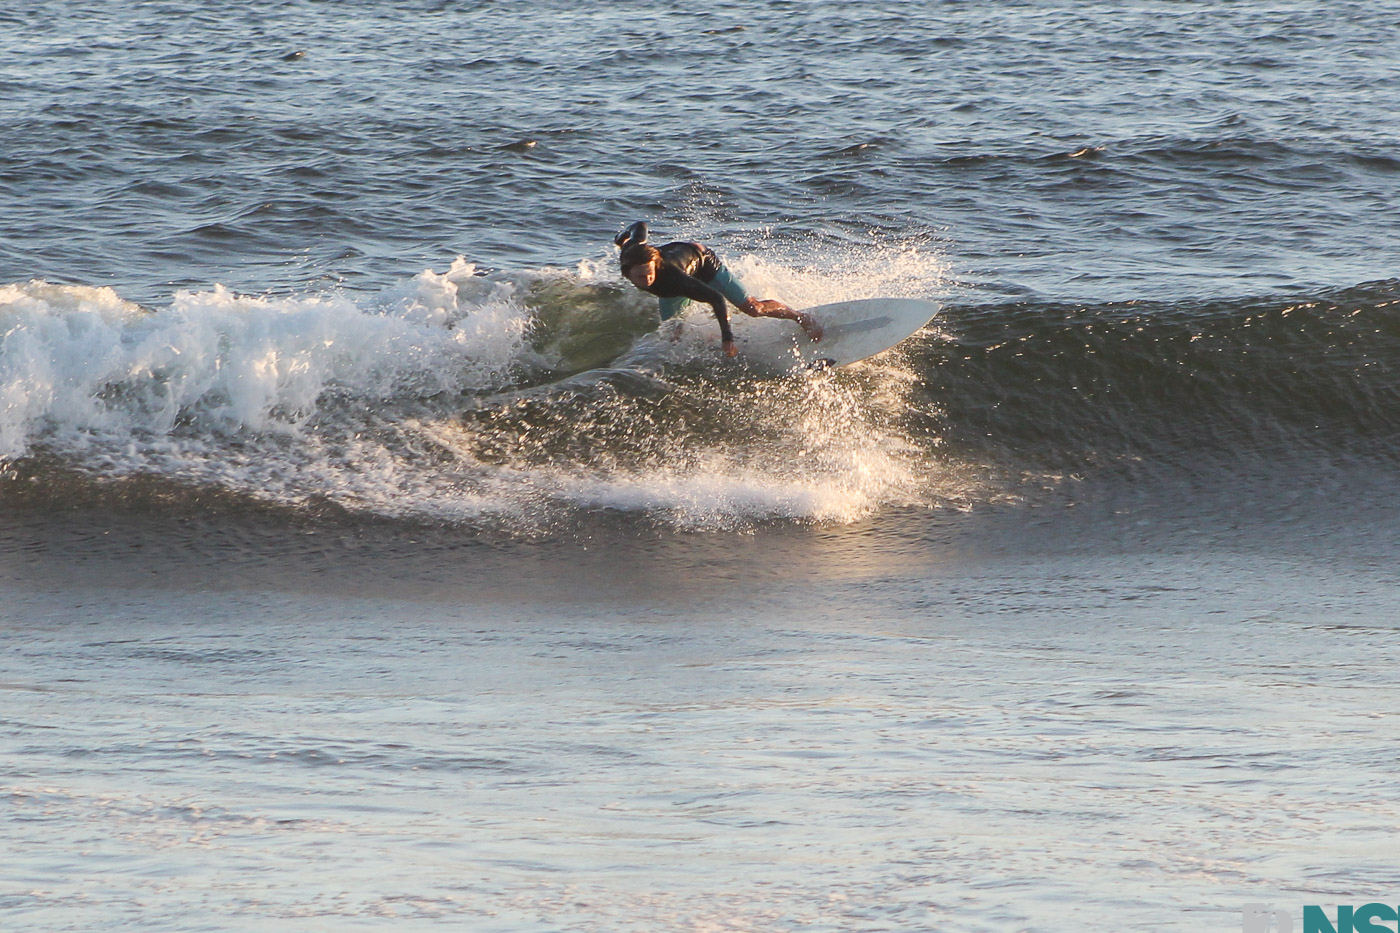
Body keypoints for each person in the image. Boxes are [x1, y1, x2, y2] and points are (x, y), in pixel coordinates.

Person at [613, 221, 822, 357]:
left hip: (703, 263)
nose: (648, 279)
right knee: (673, 336)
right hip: (674, 276)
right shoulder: (631, 253)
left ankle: (800, 317)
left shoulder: (674, 278)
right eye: (641, 276)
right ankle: (716, 340)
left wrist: (727, 338)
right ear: (627, 273)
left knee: (753, 308)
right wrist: (623, 237)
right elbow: (639, 226)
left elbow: (716, 299)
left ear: (655, 265)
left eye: (650, 273)